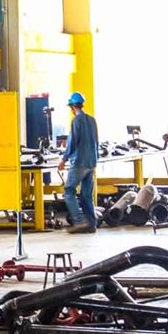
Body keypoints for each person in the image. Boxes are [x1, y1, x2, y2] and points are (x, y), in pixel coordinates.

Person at [58, 92, 99, 234]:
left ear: (72, 107)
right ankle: (92, 224)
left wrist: (63, 159)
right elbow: (96, 141)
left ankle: (80, 221)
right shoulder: (92, 120)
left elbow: (73, 142)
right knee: (87, 195)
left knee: (69, 191)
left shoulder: (76, 121)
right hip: (91, 162)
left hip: (79, 162)